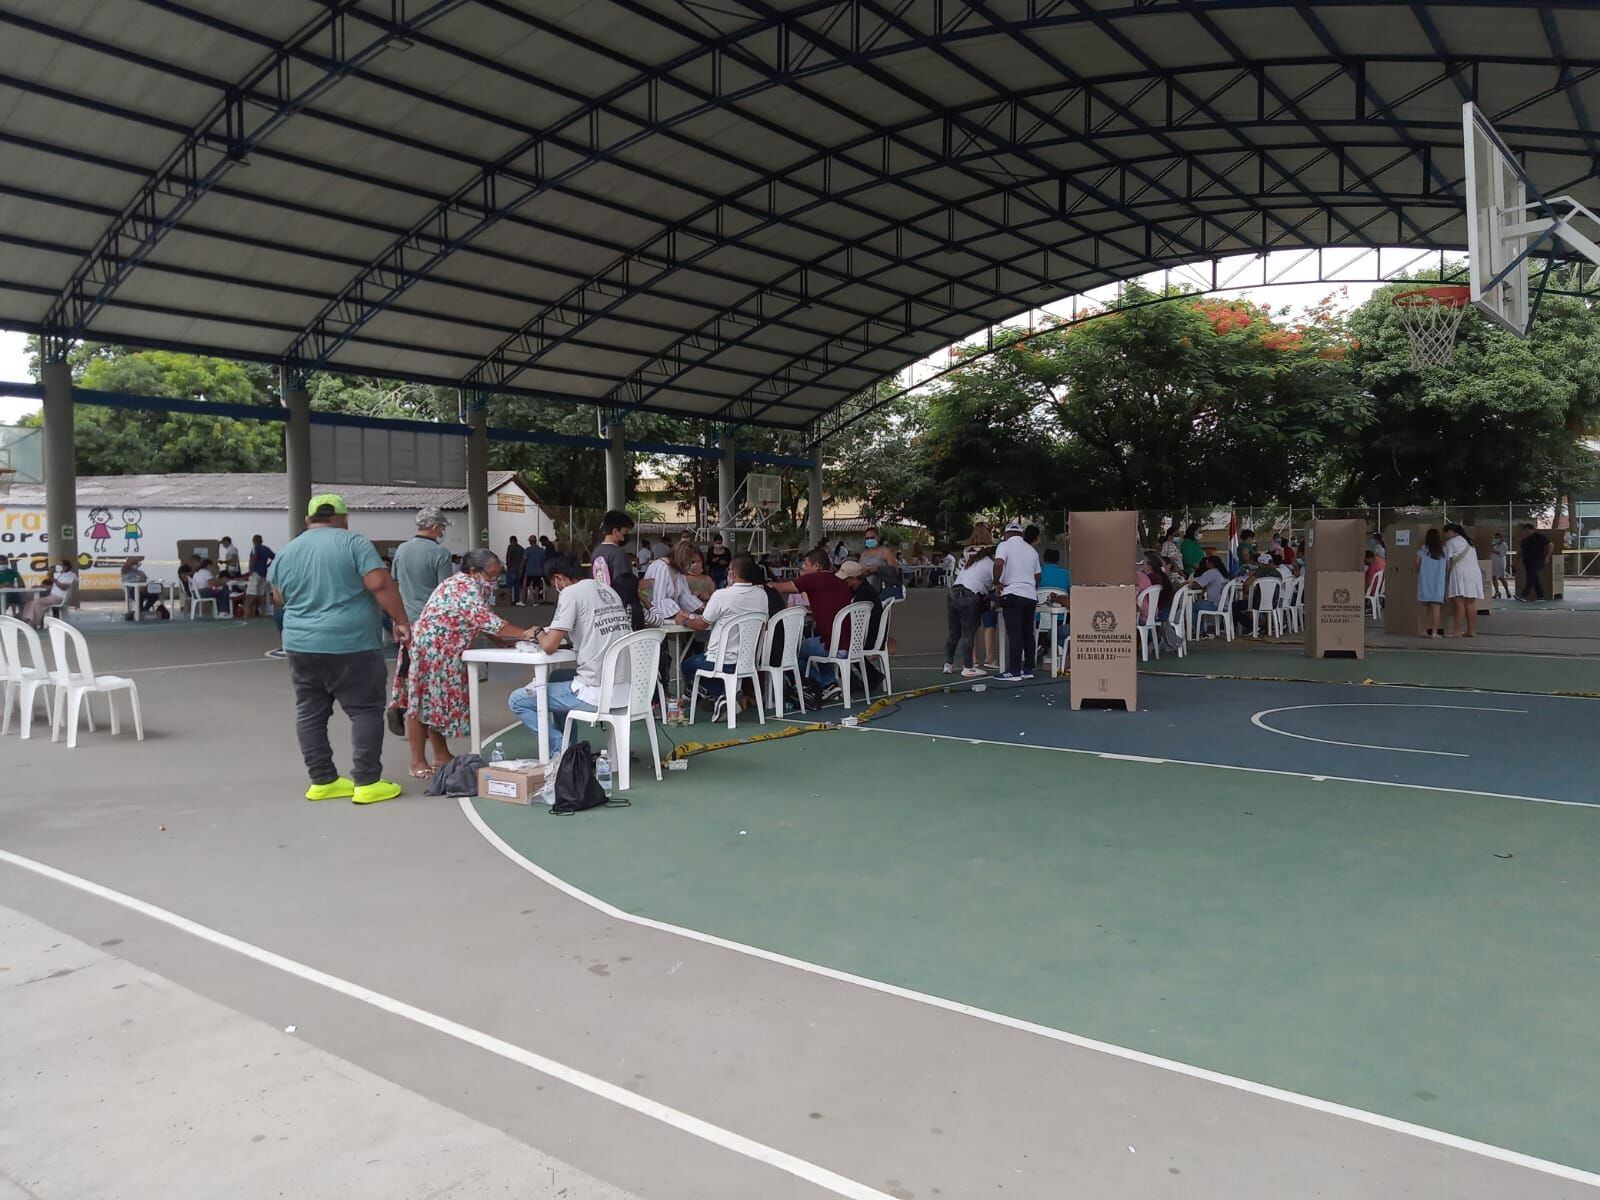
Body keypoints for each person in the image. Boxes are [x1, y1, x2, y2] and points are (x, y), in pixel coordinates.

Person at [268, 493, 410, 806]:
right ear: (344, 518)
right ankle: (367, 782)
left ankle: (323, 781)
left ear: (308, 520)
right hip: (352, 643)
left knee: (310, 712)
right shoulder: (353, 543)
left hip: (301, 644)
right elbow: (380, 584)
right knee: (364, 710)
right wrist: (400, 620)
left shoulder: (286, 551)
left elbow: (279, 597)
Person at [402, 549, 534, 779]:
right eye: (491, 576)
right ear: (474, 571)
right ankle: (416, 762)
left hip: (443, 649)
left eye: (497, 576)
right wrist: (524, 634)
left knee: (436, 704)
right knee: (421, 704)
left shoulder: (471, 586)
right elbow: (487, 620)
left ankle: (441, 755)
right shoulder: (464, 586)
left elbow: (481, 619)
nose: (494, 581)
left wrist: (501, 642)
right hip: (432, 649)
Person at [507, 552, 632, 758]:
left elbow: (549, 646)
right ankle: (569, 744)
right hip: (624, 689)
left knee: (517, 700)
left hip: (596, 693)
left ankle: (562, 749)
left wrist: (537, 632)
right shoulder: (608, 590)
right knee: (557, 677)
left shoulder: (570, 593)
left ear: (558, 579)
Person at [677, 553, 770, 721]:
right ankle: (722, 696)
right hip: (747, 661)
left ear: (733, 574)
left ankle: (720, 695)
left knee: (687, 665)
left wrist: (683, 620)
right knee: (700, 667)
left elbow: (703, 624)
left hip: (720, 661)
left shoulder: (722, 595)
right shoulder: (762, 595)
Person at [770, 549, 857, 704]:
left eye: (806, 564)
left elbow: (782, 588)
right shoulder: (840, 582)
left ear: (816, 566)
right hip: (848, 642)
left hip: (832, 645)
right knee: (815, 642)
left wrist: (766, 584)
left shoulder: (813, 579)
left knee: (796, 650)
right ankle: (830, 683)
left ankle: (825, 684)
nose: (803, 568)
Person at [992, 521, 1041, 680]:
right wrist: (1031, 588)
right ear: (1021, 534)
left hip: (1013, 593)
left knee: (1015, 633)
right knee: (1028, 633)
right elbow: (1038, 576)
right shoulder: (1032, 551)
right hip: (1030, 596)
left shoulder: (1004, 545)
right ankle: (1028, 669)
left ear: (1006, 534)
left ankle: (1013, 671)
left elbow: (999, 563)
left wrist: (996, 582)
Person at [392, 507, 455, 625]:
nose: (442, 532)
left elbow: (395, 582)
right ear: (435, 527)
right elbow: (445, 591)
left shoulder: (401, 549)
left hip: (406, 618)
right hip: (431, 620)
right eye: (443, 528)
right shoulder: (441, 553)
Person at [944, 540, 994, 678]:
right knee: (968, 632)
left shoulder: (971, 561)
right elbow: (995, 586)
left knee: (953, 632)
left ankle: (948, 664)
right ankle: (968, 667)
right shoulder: (992, 564)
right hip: (969, 595)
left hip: (953, 593)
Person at [643, 540, 705, 625]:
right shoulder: (661, 567)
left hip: (670, 620)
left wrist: (703, 609)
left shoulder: (678, 571)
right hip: (655, 620)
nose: (692, 565)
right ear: (683, 559)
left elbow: (685, 596)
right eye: (691, 561)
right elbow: (659, 600)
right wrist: (684, 614)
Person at [1443, 522, 1483, 637]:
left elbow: (1448, 562)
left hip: (1460, 573)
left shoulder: (1450, 543)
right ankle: (1471, 630)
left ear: (1453, 532)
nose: (1445, 535)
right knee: (1470, 603)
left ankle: (1457, 631)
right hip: (1474, 573)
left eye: (1446, 532)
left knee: (1459, 603)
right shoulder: (1469, 542)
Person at [22, 558, 76, 628]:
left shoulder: (70, 575)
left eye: (60, 565)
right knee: (29, 603)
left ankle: (32, 623)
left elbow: (63, 587)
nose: (58, 566)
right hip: (52, 596)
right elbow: (54, 587)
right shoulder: (60, 574)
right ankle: (27, 620)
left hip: (58, 598)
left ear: (66, 567)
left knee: (36, 603)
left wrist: (53, 579)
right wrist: (40, 586)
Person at [591, 510, 635, 590]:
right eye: (626, 531)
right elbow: (625, 586)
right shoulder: (619, 554)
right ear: (615, 531)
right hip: (617, 600)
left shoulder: (596, 551)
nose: (627, 535)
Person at [1417, 528, 1447, 637]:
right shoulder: (1444, 551)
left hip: (1425, 581)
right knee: (1436, 607)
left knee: (1424, 606)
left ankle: (1423, 631)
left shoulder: (1422, 550)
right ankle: (1434, 632)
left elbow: (1416, 564)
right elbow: (1448, 566)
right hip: (1438, 583)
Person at [858, 525, 903, 599]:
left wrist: (878, 569)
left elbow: (895, 571)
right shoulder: (863, 554)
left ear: (878, 538)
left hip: (883, 590)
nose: (869, 540)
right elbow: (860, 571)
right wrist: (866, 572)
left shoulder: (885, 552)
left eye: (872, 538)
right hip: (867, 589)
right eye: (867, 538)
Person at [242, 534, 275, 618]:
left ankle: (247, 616)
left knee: (250, 596)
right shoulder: (266, 549)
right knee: (261, 596)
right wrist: (267, 565)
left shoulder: (255, 548)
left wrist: (251, 569)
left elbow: (254, 557)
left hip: (255, 573)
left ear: (253, 541)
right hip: (263, 573)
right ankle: (262, 614)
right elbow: (275, 557)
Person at [1518, 523, 1552, 601]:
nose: (1526, 532)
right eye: (1524, 531)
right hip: (1527, 561)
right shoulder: (1525, 540)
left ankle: (1524, 595)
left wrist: (1547, 557)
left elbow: (1550, 544)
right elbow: (1521, 551)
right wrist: (1517, 561)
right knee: (1533, 577)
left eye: (1527, 530)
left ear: (1531, 529)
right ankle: (1540, 595)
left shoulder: (1539, 537)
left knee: (1531, 576)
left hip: (1537, 560)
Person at [523, 532, 547, 605]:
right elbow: (544, 560)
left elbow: (524, 559)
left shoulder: (528, 550)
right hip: (538, 571)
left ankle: (523, 601)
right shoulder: (541, 550)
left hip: (529, 571)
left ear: (530, 541)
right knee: (536, 587)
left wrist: (522, 568)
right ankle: (536, 602)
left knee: (525, 586)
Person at [504, 536, 525, 605]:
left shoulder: (510, 547)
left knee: (509, 586)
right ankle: (516, 600)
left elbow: (508, 557)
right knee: (517, 586)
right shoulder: (521, 548)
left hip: (511, 569)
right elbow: (523, 559)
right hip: (518, 569)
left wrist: (507, 565)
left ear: (511, 541)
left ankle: (508, 600)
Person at [1490, 531, 1511, 599]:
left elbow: (1502, 553)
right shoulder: (1493, 544)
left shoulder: (1503, 544)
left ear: (1501, 538)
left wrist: (1492, 551)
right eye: (1495, 537)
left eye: (1497, 538)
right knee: (1494, 577)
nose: (1496, 539)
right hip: (1493, 562)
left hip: (1500, 562)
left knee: (1501, 577)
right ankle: (1497, 592)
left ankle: (1507, 591)